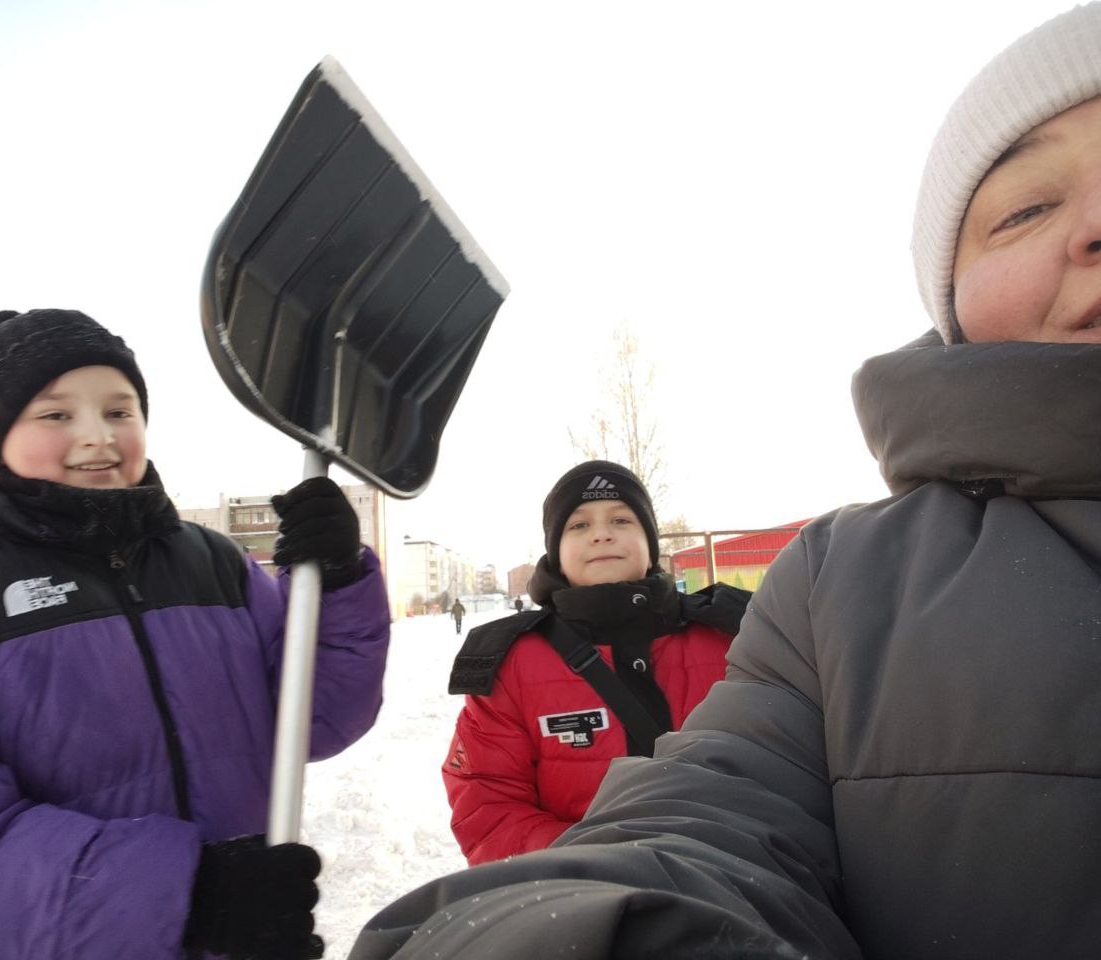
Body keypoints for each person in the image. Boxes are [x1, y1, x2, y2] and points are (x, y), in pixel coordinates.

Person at [349, 5, 1101, 958]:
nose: (605, 538)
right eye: (1029, 206)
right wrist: (563, 917)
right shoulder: (830, 597)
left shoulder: (719, 626)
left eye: (622, 519)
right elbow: (700, 814)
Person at [0, 309, 392, 960]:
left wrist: (339, 579)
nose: (96, 437)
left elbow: (313, 716)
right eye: (56, 414)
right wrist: (183, 898)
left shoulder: (211, 561)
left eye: (120, 412)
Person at [442, 461, 747, 864]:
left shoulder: (735, 638)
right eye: (579, 525)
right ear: (556, 552)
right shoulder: (509, 662)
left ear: (650, 542)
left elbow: (791, 768)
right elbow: (488, 808)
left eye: (621, 519)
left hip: (737, 885)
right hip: (583, 900)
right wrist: (597, 864)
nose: (602, 533)